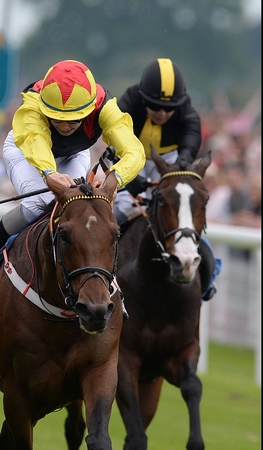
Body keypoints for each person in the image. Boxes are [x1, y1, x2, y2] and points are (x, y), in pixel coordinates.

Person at [0, 59, 145, 280]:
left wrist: (114, 180)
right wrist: (49, 174)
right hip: (26, 151)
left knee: (77, 204)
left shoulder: (106, 107)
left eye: (72, 120)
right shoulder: (33, 102)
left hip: (74, 153)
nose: (63, 126)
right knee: (39, 203)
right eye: (56, 118)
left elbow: (134, 152)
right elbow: (36, 141)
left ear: (89, 109)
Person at [116, 57, 219, 300]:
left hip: (169, 164)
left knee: (180, 212)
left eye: (168, 108)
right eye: (155, 106)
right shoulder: (127, 103)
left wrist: (174, 174)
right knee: (121, 211)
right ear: (143, 99)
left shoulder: (188, 113)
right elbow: (115, 143)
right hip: (131, 158)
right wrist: (132, 183)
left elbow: (187, 153)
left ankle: (207, 274)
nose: (162, 113)